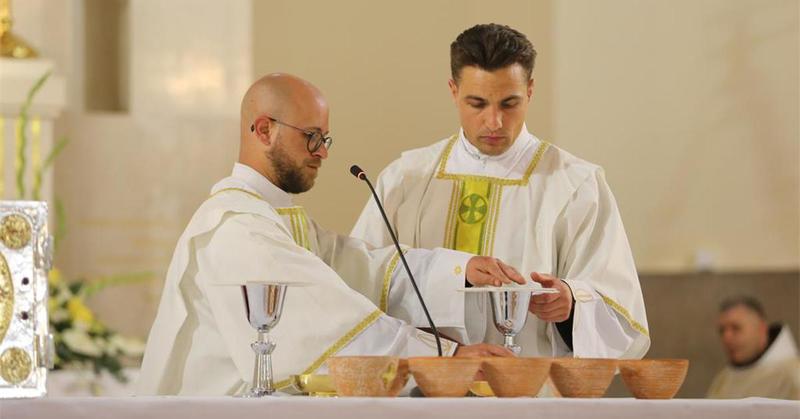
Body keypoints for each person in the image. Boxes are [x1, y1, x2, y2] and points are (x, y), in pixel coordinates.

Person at [136, 73, 519, 396]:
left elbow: (361, 267)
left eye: (325, 139)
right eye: (312, 136)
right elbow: (325, 317)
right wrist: (442, 358)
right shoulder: (237, 226)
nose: (322, 152)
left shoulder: (272, 216)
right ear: (265, 129)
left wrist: (458, 269)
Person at [351, 23, 649, 359]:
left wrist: (572, 303)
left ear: (531, 90)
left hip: (529, 399)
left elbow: (622, 312)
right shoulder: (406, 179)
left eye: (509, 103)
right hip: (426, 394)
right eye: (477, 103)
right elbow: (360, 282)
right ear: (453, 91)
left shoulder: (576, 184)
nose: (494, 121)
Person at [707, 296, 800, 399]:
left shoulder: (793, 376)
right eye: (722, 331)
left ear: (761, 329)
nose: (726, 338)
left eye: (736, 328)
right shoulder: (723, 380)